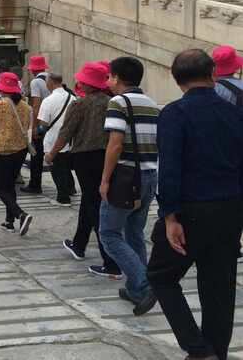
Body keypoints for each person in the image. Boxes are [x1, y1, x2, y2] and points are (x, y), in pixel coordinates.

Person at [148, 49, 243, 360]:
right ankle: (216, 351)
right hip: (230, 208)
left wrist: (169, 216)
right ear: (213, 73)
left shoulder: (175, 113)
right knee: (219, 285)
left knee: (161, 276)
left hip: (192, 210)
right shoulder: (234, 113)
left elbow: (171, 167)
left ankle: (198, 349)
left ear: (176, 80)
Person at [46, 62, 121, 277]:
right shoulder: (111, 102)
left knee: (94, 204)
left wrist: (51, 154)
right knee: (92, 200)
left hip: (84, 158)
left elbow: (66, 133)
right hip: (106, 157)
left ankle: (110, 261)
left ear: (87, 84)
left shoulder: (80, 104)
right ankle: (79, 243)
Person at [99, 57, 159, 311]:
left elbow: (115, 143)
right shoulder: (152, 104)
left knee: (109, 234)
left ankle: (145, 284)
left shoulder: (118, 102)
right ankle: (136, 290)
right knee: (134, 232)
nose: (108, 82)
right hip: (149, 175)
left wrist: (104, 179)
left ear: (117, 78)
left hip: (125, 177)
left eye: (110, 77)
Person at [0, 72, 34, 235]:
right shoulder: (25, 105)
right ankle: (9, 221)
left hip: (2, 149)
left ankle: (20, 214)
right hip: (20, 149)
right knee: (10, 185)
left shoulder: (0, 104)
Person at [36, 73, 77, 205]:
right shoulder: (73, 98)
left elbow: (43, 123)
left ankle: (63, 198)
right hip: (70, 140)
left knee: (57, 169)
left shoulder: (48, 101)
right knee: (65, 166)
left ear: (51, 82)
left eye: (46, 82)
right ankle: (70, 189)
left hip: (53, 140)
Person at [21, 55, 49, 195]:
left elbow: (37, 104)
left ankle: (35, 184)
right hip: (52, 121)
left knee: (36, 155)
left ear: (33, 69)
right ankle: (69, 185)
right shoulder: (50, 78)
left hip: (40, 121)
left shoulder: (36, 82)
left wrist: (34, 126)